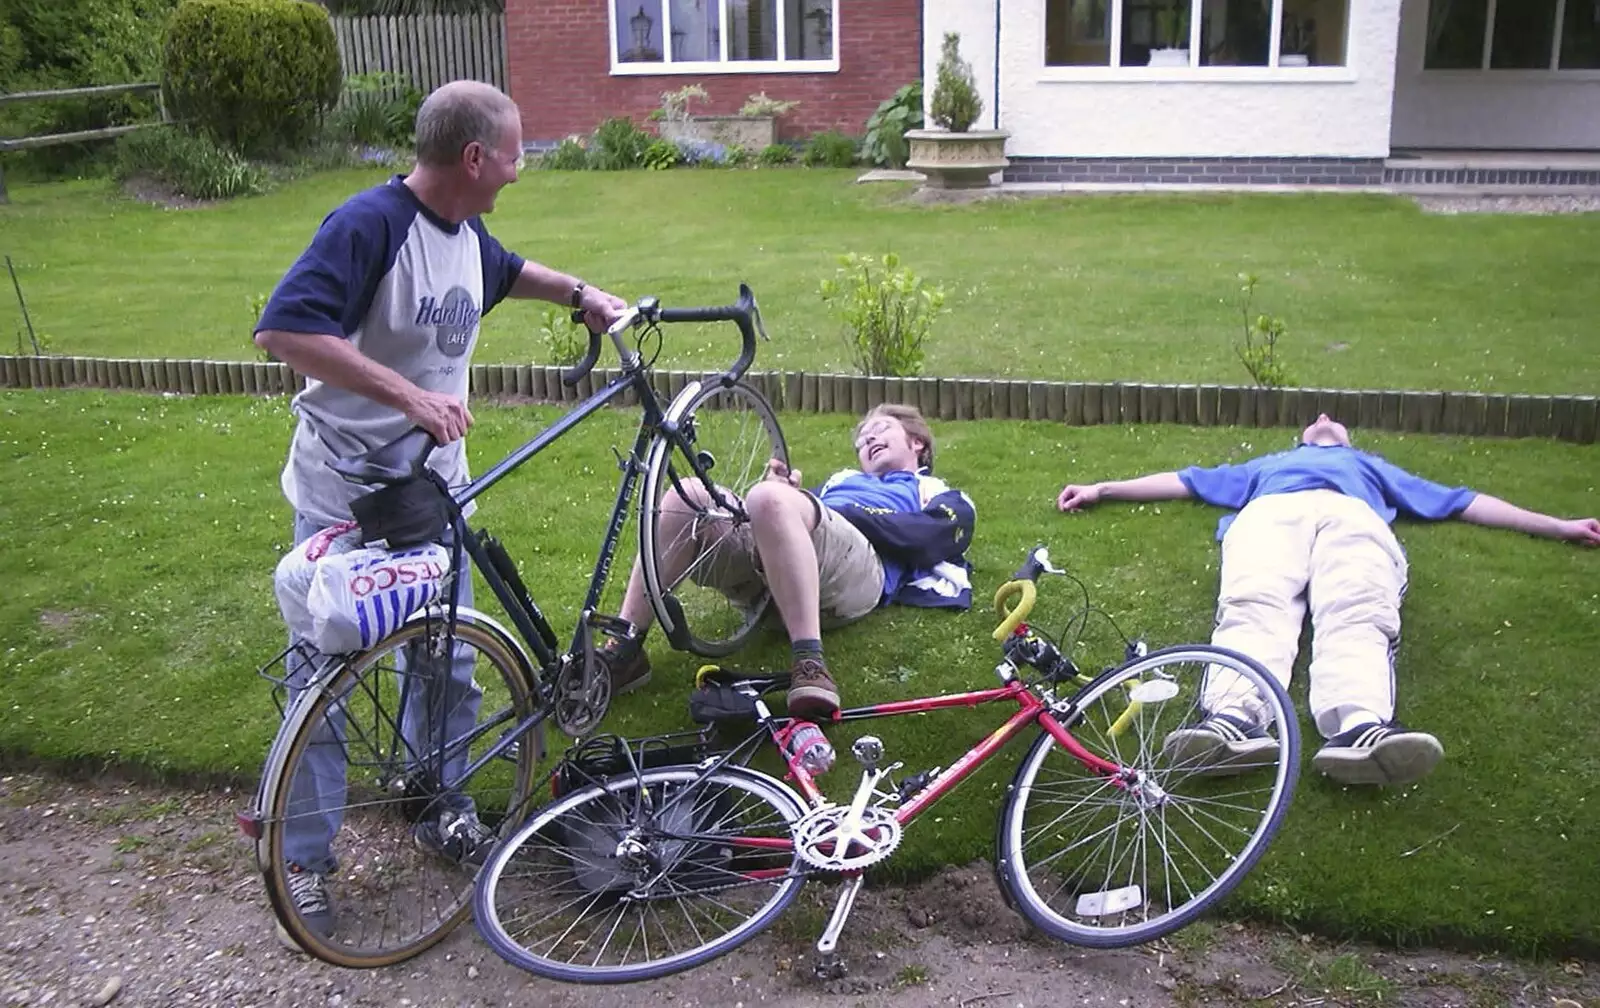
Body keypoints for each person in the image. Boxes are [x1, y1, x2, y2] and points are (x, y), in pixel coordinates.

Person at [253, 80, 626, 943]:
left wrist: (582, 295)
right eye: (515, 151)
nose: (521, 167)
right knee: (326, 676)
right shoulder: (368, 226)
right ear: (472, 158)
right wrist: (409, 396)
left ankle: (439, 807)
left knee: (445, 658)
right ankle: (301, 860)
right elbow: (284, 329)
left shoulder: (462, 232)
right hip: (345, 494)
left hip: (430, 494)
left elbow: (503, 272)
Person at [1056, 414, 1598, 787]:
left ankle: (1361, 727)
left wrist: (1560, 526)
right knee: (1254, 604)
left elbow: (1462, 502)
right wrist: (1104, 488)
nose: (1322, 415)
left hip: (1350, 519)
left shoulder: (1371, 468)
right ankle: (1229, 722)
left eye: (1332, 420)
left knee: (1359, 610)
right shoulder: (1265, 467)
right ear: (1300, 439)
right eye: (1314, 420)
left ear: (1345, 440)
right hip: (1271, 516)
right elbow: (1184, 481)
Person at [602, 403, 977, 718]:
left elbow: (934, 536)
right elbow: (794, 518)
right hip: (777, 577)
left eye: (881, 429)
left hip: (857, 576)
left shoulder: (933, 489)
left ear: (918, 442)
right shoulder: (838, 482)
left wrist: (835, 510)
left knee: (768, 499)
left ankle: (810, 664)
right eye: (863, 439)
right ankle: (625, 649)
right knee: (689, 495)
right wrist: (776, 498)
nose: (869, 439)